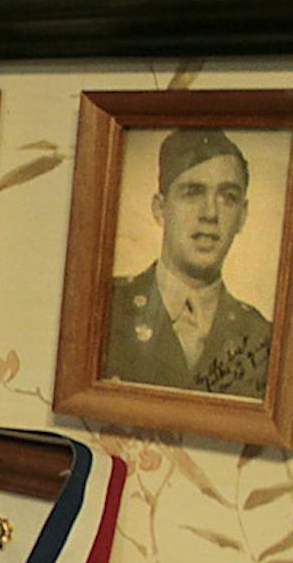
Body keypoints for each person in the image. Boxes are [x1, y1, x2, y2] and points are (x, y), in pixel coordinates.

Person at [104, 126, 272, 397]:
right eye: (193, 192)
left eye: (228, 197)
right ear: (160, 209)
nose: (210, 213)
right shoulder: (107, 310)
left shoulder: (261, 336)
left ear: (242, 216)